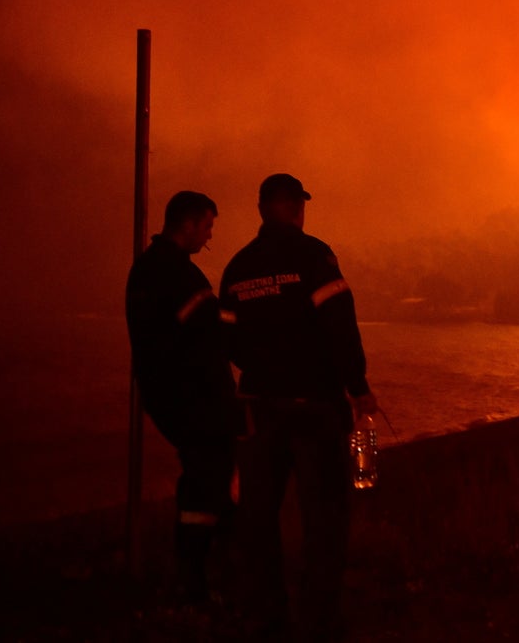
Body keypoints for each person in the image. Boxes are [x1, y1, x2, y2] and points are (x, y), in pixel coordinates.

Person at [220, 173, 377, 642]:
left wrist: (262, 366)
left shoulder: (238, 267)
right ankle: (320, 621)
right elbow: (339, 324)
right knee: (324, 517)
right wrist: (357, 386)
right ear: (295, 207)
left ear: (262, 209)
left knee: (258, 518)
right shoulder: (314, 257)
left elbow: (227, 337)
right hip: (315, 405)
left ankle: (267, 617)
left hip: (259, 405)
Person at [125, 190, 238, 601]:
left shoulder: (143, 272)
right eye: (207, 226)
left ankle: (200, 577)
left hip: (168, 398)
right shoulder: (179, 274)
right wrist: (239, 316)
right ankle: (200, 581)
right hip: (198, 401)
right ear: (188, 224)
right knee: (210, 485)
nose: (208, 237)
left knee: (202, 481)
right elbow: (212, 331)